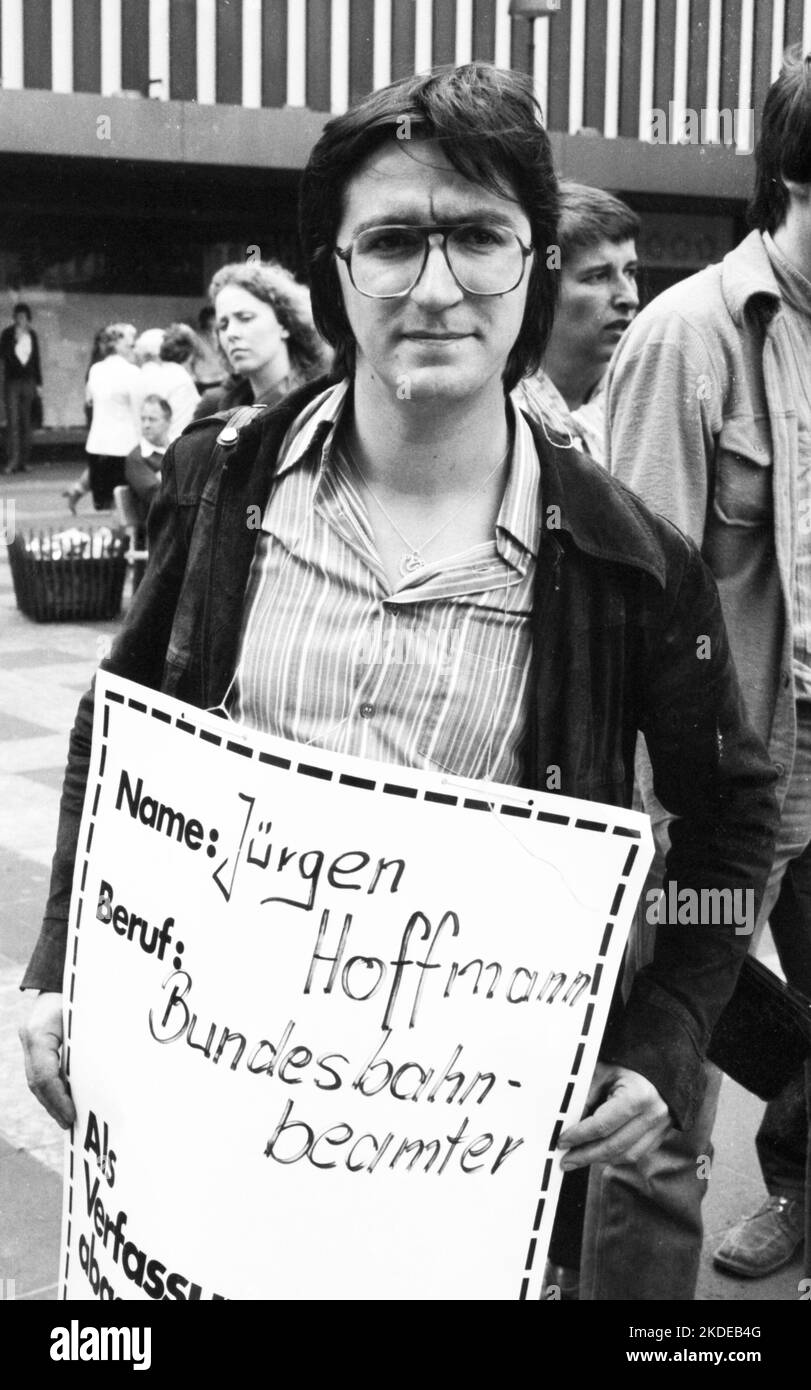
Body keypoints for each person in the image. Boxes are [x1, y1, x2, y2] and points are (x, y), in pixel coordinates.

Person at [20, 64, 779, 1302]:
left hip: (455, 1177)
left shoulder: (635, 567)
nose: (436, 287)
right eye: (392, 242)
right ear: (336, 265)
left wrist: (665, 1036)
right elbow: (123, 724)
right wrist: (59, 962)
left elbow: (730, 827)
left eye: (479, 237)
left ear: (531, 260)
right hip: (205, 1143)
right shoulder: (226, 487)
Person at [604, 46, 811, 1296]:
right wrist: (638, 816)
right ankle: (635, 1295)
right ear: (793, 176)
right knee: (671, 1031)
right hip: (732, 772)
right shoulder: (691, 337)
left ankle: (794, 1179)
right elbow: (633, 609)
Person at [514, 183, 639, 462]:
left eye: (630, 272)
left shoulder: (645, 399)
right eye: (598, 276)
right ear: (542, 289)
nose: (629, 297)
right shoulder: (498, 410)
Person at [193, 259, 329, 419]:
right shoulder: (213, 407)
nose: (231, 333)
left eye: (245, 318)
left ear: (284, 324)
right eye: (223, 325)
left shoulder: (325, 399)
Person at [84, 322, 141, 510]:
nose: (135, 349)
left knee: (102, 506)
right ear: (117, 344)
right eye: (131, 345)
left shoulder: (95, 370)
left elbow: (89, 400)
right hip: (124, 448)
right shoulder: (133, 373)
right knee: (124, 511)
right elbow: (138, 413)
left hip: (97, 445)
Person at [1, 303, 43, 475]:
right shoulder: (7, 334)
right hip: (13, 382)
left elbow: (36, 360)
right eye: (18, 317)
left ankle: (24, 461)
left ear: (28, 319)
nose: (21, 320)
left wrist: (39, 384)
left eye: (24, 317)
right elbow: (4, 355)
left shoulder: (32, 335)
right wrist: (15, 341)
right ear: (14, 318)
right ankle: (12, 460)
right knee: (13, 422)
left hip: (29, 382)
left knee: (26, 421)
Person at [124, 394, 171, 529]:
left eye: (152, 420)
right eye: (143, 419)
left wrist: (164, 478)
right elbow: (156, 496)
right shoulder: (136, 457)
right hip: (156, 531)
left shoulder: (180, 448)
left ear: (168, 421)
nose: (146, 425)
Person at [193, 304, 226, 394]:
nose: (217, 321)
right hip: (205, 380)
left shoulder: (222, 335)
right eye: (214, 318)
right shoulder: (196, 337)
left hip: (222, 378)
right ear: (206, 320)